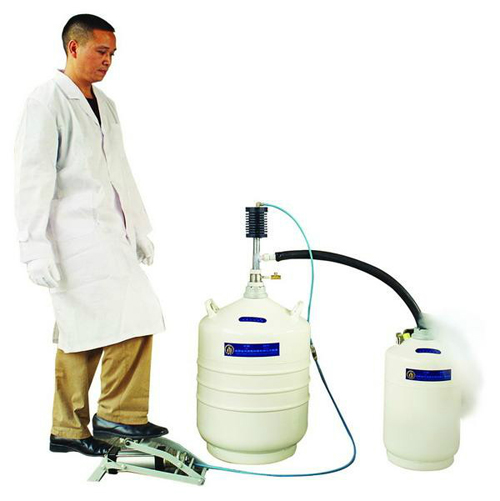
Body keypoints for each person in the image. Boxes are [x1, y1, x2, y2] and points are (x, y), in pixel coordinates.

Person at [14, 14, 168, 457]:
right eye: (101, 51)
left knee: (112, 323)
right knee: (93, 327)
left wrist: (138, 228)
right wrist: (33, 248)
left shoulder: (106, 104)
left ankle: (77, 426)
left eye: (113, 54)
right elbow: (32, 177)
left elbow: (119, 170)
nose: (108, 61)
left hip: (109, 234)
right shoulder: (47, 101)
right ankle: (109, 417)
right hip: (72, 238)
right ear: (73, 47)